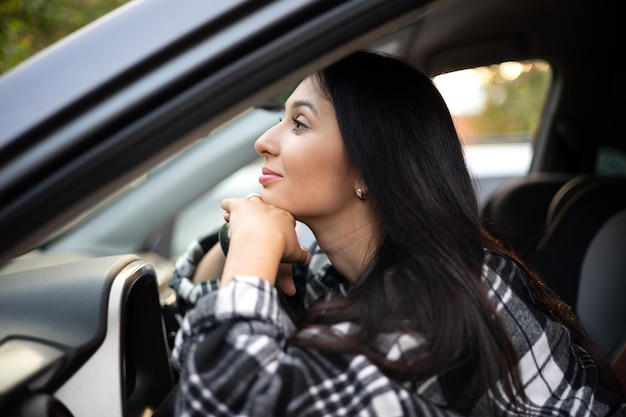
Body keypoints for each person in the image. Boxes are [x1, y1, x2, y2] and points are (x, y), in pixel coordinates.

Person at [168, 50, 625, 416]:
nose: (264, 140)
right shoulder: (345, 276)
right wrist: (244, 239)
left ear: (368, 166)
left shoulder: (438, 301)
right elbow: (192, 336)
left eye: (299, 123)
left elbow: (226, 401)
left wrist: (255, 243)